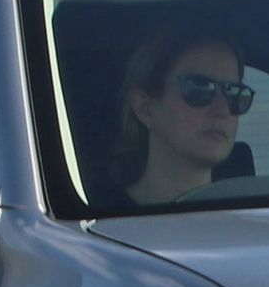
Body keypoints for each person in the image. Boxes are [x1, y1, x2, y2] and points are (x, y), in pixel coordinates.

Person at [107, 25, 253, 206]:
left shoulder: (251, 215)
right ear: (145, 108)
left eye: (233, 92)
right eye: (199, 89)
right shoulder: (99, 217)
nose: (223, 110)